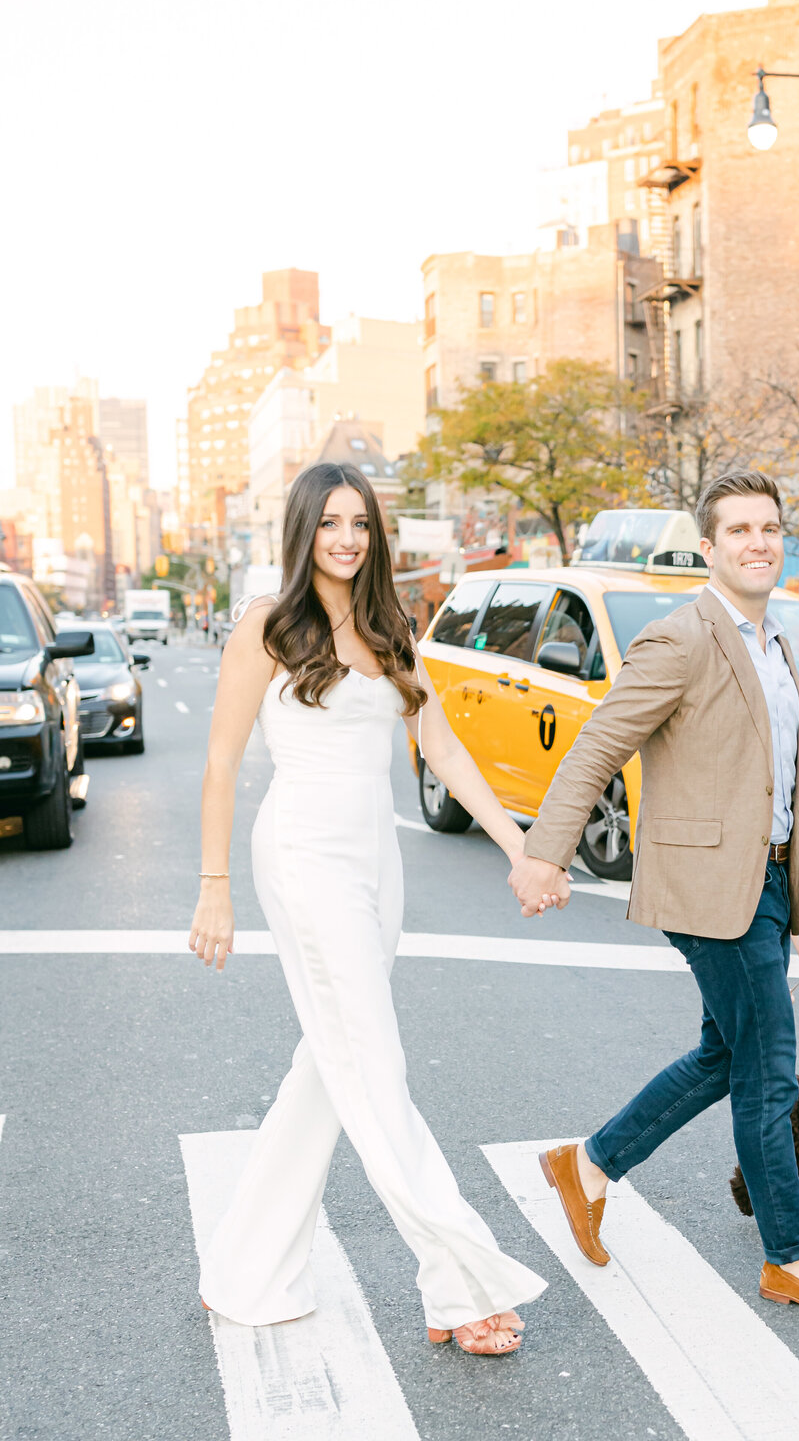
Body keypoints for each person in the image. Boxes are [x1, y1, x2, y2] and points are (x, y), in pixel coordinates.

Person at [189, 462, 561, 1355]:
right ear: (303, 532)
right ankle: (458, 1281)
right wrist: (214, 891)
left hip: (373, 861)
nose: (347, 538)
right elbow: (220, 763)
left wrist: (521, 848)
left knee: (334, 1062)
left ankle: (244, 1264)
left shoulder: (394, 630)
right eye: (330, 524)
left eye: (360, 523)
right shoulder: (267, 628)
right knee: (374, 1062)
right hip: (303, 856)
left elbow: (445, 749)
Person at [509, 471, 799, 1316]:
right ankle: (792, 1256)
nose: (758, 542)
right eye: (740, 530)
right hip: (710, 886)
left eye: (770, 527)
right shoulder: (681, 637)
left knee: (728, 1056)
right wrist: (547, 853)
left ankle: (589, 1163)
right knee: (768, 1075)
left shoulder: (775, 640)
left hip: (759, 880)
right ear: (711, 548)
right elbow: (597, 744)